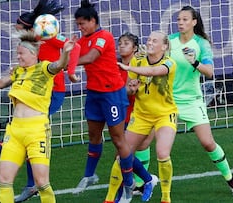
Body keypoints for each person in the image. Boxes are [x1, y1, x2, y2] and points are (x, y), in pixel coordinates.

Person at [0, 0, 81, 202]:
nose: (17, 55)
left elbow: (60, 63)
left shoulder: (45, 53)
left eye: (20, 53)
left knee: (42, 182)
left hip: (47, 102)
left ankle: (29, 183)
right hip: (16, 128)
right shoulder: (20, 68)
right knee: (4, 180)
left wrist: (68, 60)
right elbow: (2, 81)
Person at [168, 5, 233, 199]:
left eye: (185, 19)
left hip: (192, 101)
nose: (181, 23)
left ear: (194, 22)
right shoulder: (168, 42)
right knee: (145, 140)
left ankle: (231, 179)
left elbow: (209, 72)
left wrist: (195, 62)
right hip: (168, 101)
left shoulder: (201, 44)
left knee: (208, 143)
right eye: (178, 19)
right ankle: (141, 184)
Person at [71, 0, 135, 200]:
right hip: (94, 94)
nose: (80, 28)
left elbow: (90, 58)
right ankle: (89, 175)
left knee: (118, 139)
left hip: (112, 94)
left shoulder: (104, 37)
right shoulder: (81, 40)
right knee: (93, 136)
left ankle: (129, 183)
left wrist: (69, 63)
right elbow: (71, 54)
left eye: (82, 24)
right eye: (78, 24)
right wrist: (63, 55)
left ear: (92, 21)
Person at [112, 30, 178, 203]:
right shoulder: (137, 60)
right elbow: (129, 88)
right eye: (149, 39)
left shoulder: (169, 63)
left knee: (163, 153)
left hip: (164, 114)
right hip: (141, 115)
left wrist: (128, 68)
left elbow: (155, 71)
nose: (149, 42)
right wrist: (131, 89)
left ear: (164, 46)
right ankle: (114, 197)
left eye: (154, 41)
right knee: (122, 155)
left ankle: (165, 198)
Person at [104, 32, 156, 203]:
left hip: (139, 115)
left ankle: (121, 194)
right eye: (120, 43)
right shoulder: (116, 67)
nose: (121, 46)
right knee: (122, 156)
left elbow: (142, 89)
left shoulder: (140, 66)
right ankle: (145, 181)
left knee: (122, 156)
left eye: (126, 43)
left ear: (135, 48)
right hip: (121, 114)